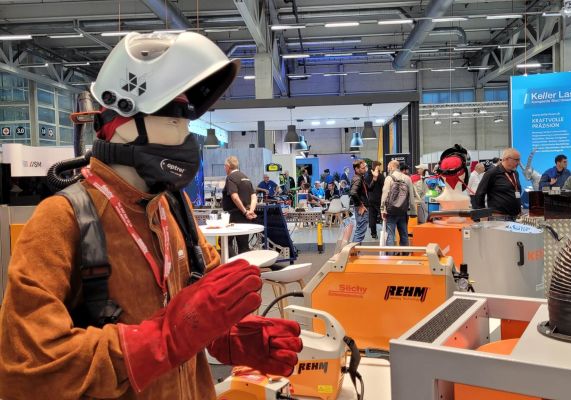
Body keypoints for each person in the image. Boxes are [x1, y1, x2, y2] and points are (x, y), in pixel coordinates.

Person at [0, 32, 301, 400]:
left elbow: (196, 304)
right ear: (124, 122)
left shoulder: (173, 207)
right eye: (173, 117)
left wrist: (226, 333)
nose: (186, 132)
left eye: (187, 119)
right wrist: (165, 339)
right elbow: (27, 366)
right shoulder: (61, 219)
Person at [473, 148, 522, 220]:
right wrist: (482, 215)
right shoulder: (492, 173)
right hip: (499, 217)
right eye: (516, 160)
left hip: (515, 217)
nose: (519, 162)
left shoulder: (515, 173)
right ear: (507, 159)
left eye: (519, 160)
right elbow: (480, 194)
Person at [223, 156, 258, 254]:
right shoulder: (246, 177)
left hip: (234, 216)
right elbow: (254, 197)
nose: (225, 168)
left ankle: (234, 264)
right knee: (243, 245)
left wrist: (245, 211)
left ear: (228, 166)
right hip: (245, 216)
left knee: (224, 243)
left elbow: (234, 197)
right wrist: (251, 211)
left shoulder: (230, 178)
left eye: (225, 166)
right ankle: (244, 267)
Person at [381, 160, 417, 246]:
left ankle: (390, 256)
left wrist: (383, 210)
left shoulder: (389, 178)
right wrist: (413, 212)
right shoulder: (407, 178)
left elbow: (385, 195)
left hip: (391, 211)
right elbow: (411, 196)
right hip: (403, 211)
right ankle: (405, 254)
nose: (388, 168)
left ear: (392, 167)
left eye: (389, 167)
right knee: (404, 234)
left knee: (390, 234)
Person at [350, 159, 369, 243]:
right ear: (357, 169)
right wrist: (361, 205)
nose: (365, 169)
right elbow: (353, 192)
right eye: (363, 167)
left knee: (360, 230)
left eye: (365, 167)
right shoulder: (358, 179)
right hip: (361, 208)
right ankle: (353, 252)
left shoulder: (360, 178)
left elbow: (367, 189)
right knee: (360, 232)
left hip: (361, 206)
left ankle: (354, 252)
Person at [366, 161, 384, 239]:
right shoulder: (380, 176)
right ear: (376, 166)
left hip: (370, 199)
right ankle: (385, 232)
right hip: (379, 199)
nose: (380, 167)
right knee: (383, 216)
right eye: (379, 166)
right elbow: (384, 187)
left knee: (372, 217)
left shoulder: (367, 176)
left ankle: (373, 234)